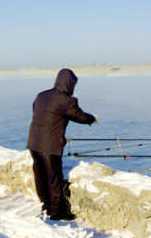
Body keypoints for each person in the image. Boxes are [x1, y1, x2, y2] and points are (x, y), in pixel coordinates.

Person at [26, 68, 97, 221]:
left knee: (41, 177)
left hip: (34, 143)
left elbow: (36, 110)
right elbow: (80, 116)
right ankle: (57, 213)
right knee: (54, 178)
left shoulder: (41, 95)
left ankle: (46, 207)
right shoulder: (66, 101)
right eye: (73, 85)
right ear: (69, 83)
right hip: (49, 146)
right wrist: (92, 118)